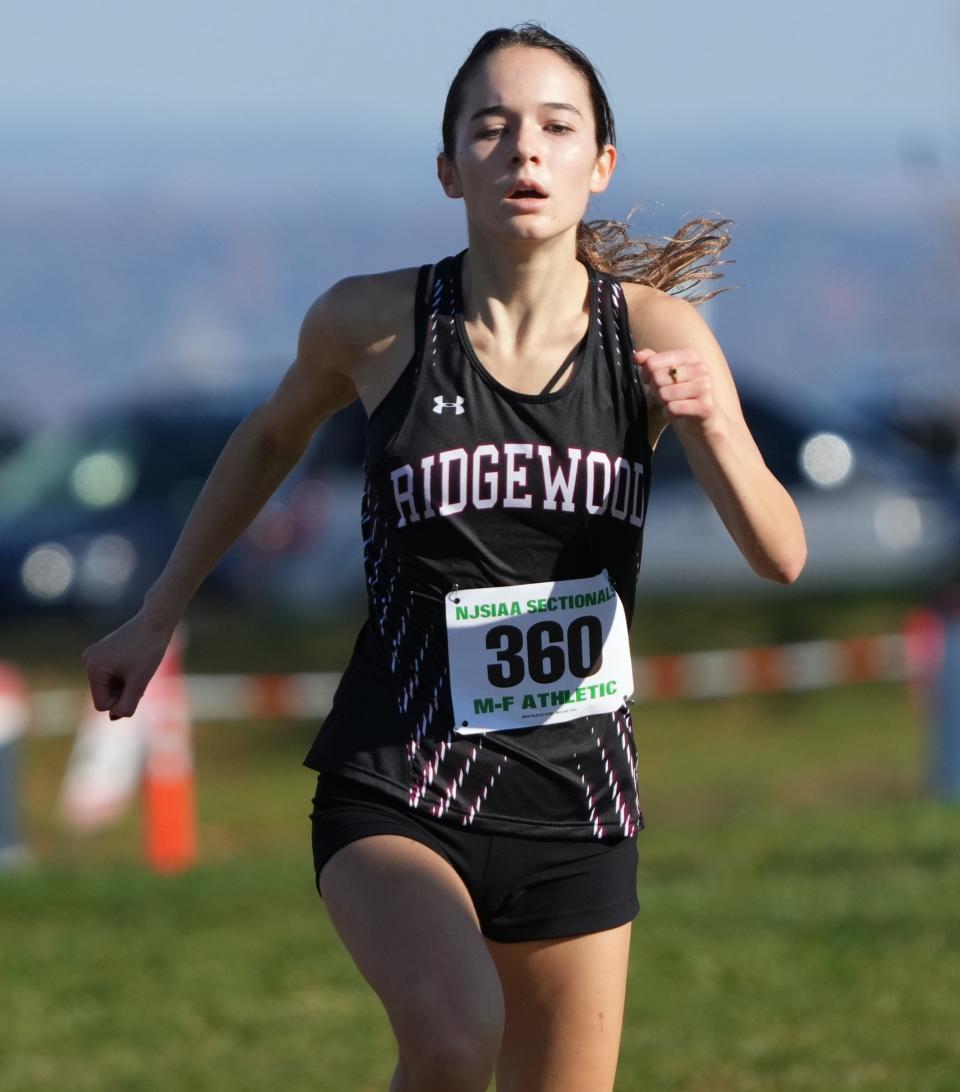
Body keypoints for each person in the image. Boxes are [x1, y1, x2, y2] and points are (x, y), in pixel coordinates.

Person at [81, 22, 806, 1092]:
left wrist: (715, 427)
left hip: (579, 803)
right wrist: (157, 614)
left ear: (599, 164)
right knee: (455, 1036)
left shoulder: (657, 337)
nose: (525, 150)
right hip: (399, 779)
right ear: (447, 165)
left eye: (557, 128)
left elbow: (780, 555)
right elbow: (271, 436)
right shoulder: (373, 324)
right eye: (492, 127)